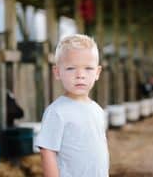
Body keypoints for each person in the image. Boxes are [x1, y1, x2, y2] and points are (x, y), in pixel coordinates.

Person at [36, 34, 109, 177]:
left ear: (97, 72)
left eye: (88, 68)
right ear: (57, 72)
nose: (80, 75)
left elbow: (101, 151)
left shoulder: (98, 110)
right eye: (71, 68)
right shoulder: (57, 112)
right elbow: (47, 152)